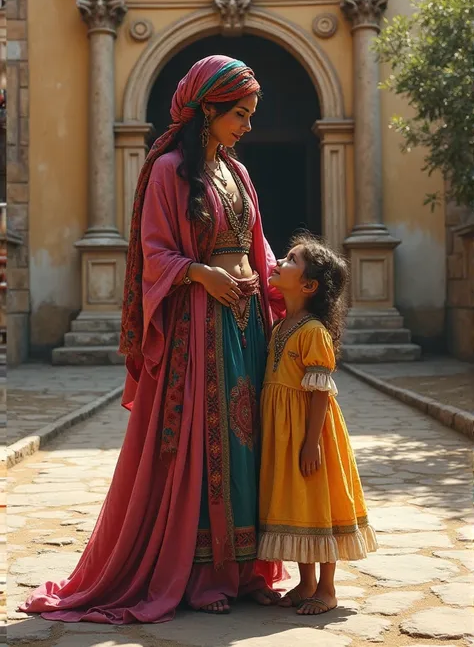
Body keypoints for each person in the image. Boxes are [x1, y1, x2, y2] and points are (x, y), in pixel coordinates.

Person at [20, 55, 286, 623]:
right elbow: (154, 252)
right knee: (203, 444)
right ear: (208, 109)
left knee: (248, 441)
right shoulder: (169, 170)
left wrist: (280, 285)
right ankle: (202, 572)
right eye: (238, 113)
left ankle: (247, 568)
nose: (246, 125)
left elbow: (257, 245)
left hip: (246, 324)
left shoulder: (238, 174)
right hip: (199, 327)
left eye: (250, 114)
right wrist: (201, 274)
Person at [258, 233, 377, 616]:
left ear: (308, 285)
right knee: (296, 503)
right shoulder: (280, 327)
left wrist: (311, 443)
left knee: (318, 501)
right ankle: (304, 582)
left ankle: (326, 588)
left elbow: (320, 392)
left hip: (311, 432)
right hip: (284, 432)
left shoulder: (312, 332)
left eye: (291, 259)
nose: (279, 261)